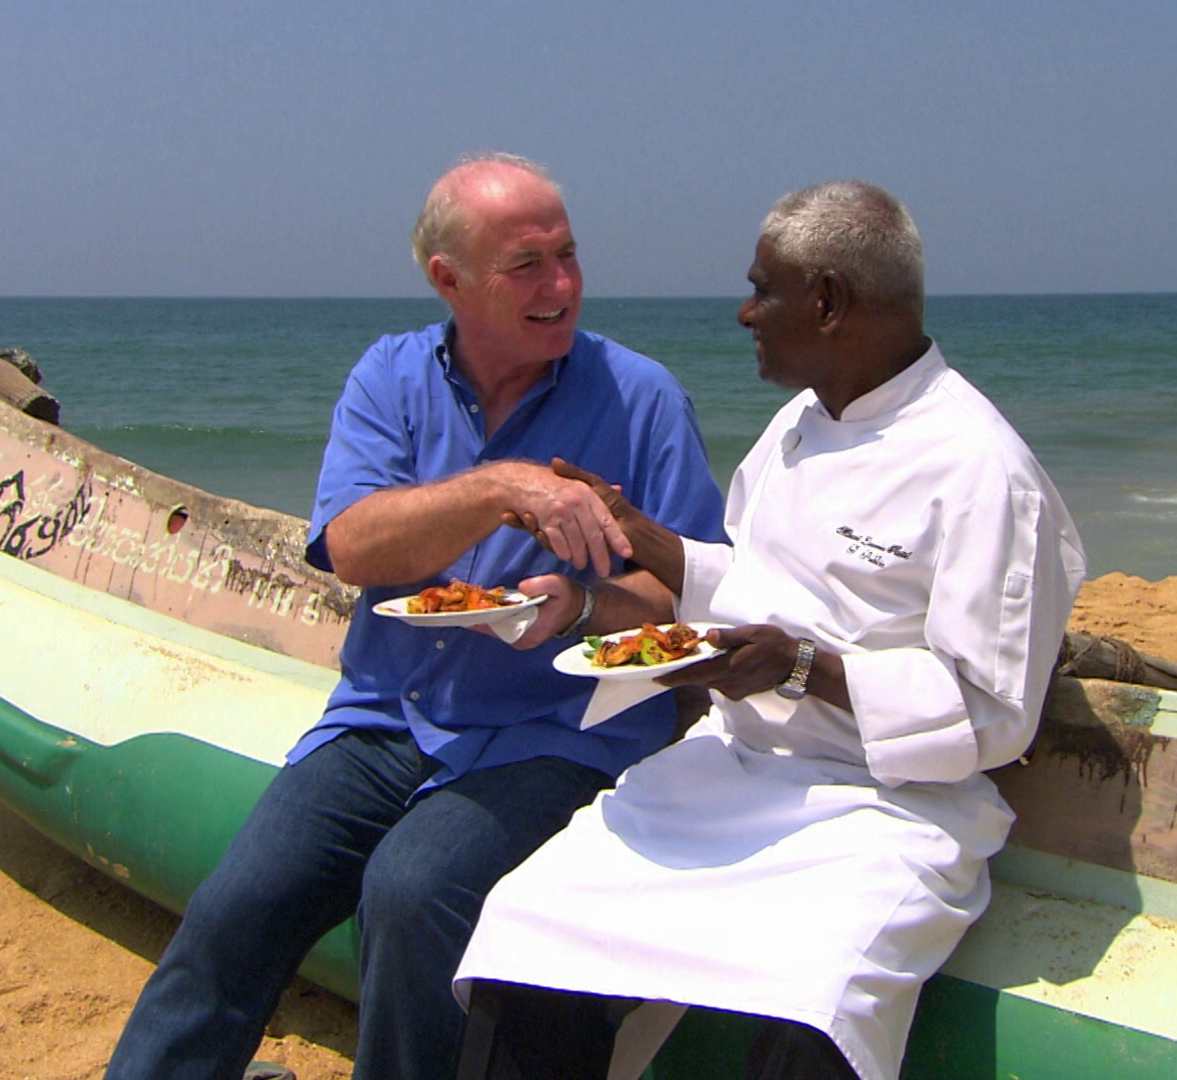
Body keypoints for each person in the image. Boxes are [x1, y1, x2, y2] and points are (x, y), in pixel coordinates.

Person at [103, 154, 728, 1080]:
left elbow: (688, 597)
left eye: (567, 255)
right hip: (384, 715)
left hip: (555, 732)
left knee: (412, 888)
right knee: (237, 905)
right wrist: (499, 489)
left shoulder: (641, 398)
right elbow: (353, 546)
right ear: (450, 279)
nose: (561, 285)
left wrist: (584, 606)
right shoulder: (391, 377)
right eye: (527, 265)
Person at [453, 180, 1088, 1080]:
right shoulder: (798, 425)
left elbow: (993, 715)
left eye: (762, 290)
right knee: (529, 929)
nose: (745, 313)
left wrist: (802, 669)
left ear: (827, 301)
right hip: (728, 767)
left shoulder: (985, 472)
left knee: (814, 1014)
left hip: (885, 812)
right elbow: (756, 586)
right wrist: (640, 537)